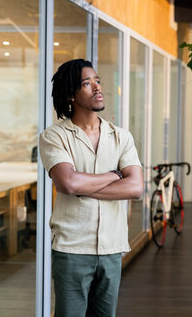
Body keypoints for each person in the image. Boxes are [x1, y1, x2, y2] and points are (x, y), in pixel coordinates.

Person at [39, 59, 143, 317]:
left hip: (112, 248)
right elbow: (67, 182)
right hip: (72, 249)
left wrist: (83, 186)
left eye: (97, 80)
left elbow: (136, 188)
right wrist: (113, 175)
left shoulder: (121, 137)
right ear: (70, 95)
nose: (97, 87)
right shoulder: (54, 136)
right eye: (87, 83)